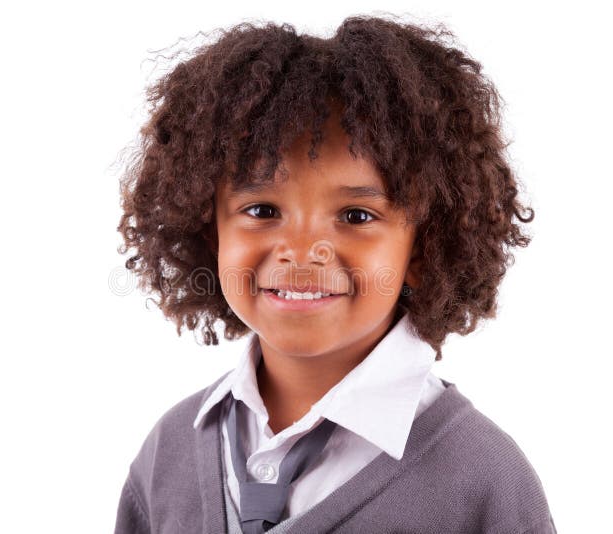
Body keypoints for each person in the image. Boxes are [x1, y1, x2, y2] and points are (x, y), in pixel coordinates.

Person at [114, 14, 557, 534]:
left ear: (423, 245)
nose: (302, 252)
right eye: (261, 210)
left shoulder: (482, 482)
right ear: (210, 232)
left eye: (355, 217)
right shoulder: (168, 455)